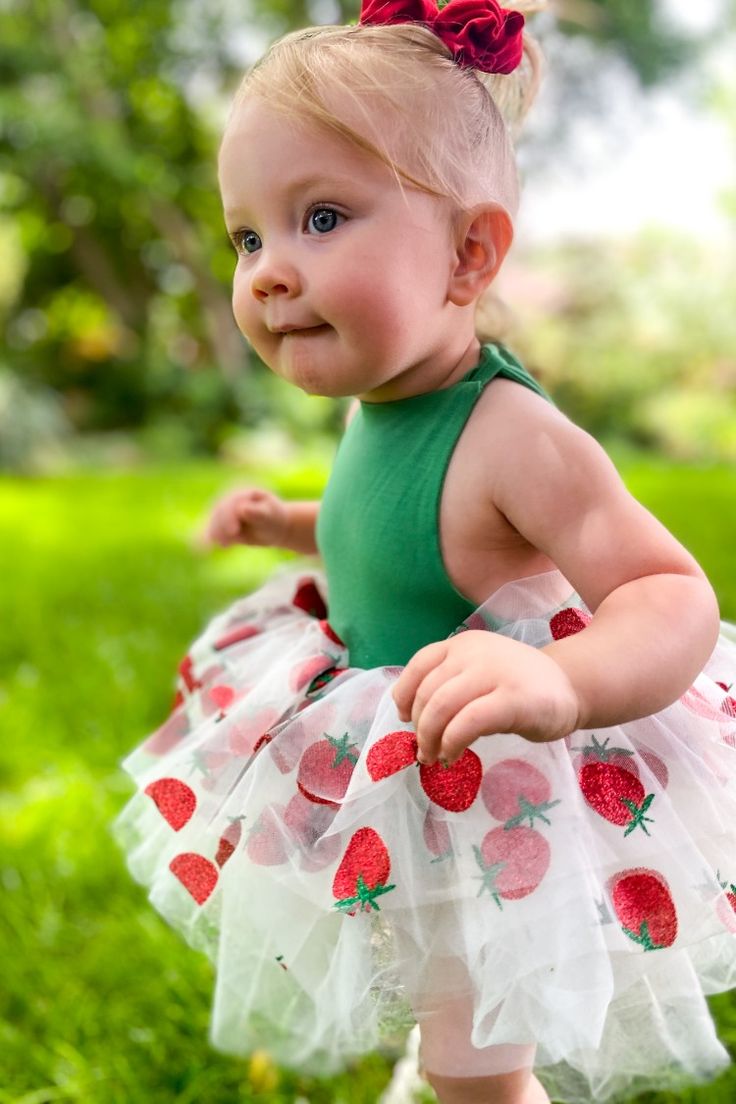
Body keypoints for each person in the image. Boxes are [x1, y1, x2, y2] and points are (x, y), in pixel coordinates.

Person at [113, 1, 736, 1101]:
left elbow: (666, 590)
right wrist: (291, 524)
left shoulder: (520, 438)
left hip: (495, 781)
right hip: (408, 768)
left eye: (319, 218)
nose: (264, 271)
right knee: (446, 985)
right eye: (247, 236)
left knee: (479, 1064)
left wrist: (559, 676)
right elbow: (401, 527)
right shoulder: (377, 406)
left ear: (468, 251)